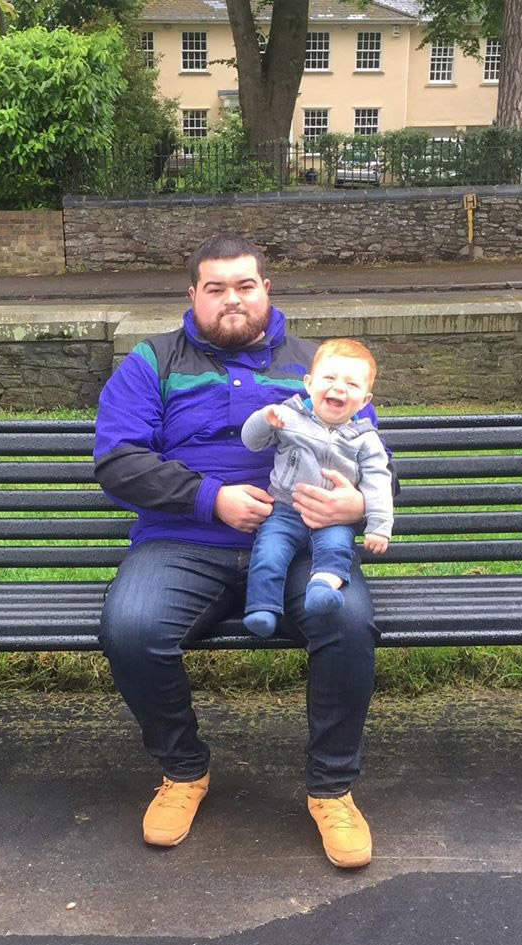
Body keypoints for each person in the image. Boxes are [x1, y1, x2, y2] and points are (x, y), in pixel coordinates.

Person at [94, 234, 380, 869]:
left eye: (244, 286)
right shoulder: (151, 362)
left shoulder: (321, 365)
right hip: (182, 542)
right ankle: (183, 770)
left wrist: (356, 507)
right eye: (215, 288)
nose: (232, 300)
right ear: (193, 294)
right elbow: (118, 461)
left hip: (302, 540)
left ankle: (332, 788)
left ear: (266, 290)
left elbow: (371, 457)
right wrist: (210, 499)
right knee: (132, 626)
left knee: (345, 619)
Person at [240, 338, 394, 639]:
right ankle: (262, 608)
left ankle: (322, 588)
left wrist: (378, 524)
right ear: (309, 384)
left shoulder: (364, 438)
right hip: (285, 509)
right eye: (330, 379)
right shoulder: (288, 416)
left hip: (335, 517)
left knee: (336, 550)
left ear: (365, 400)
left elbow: (378, 479)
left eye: (352, 384)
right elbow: (251, 441)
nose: (339, 388)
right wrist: (264, 420)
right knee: (269, 552)